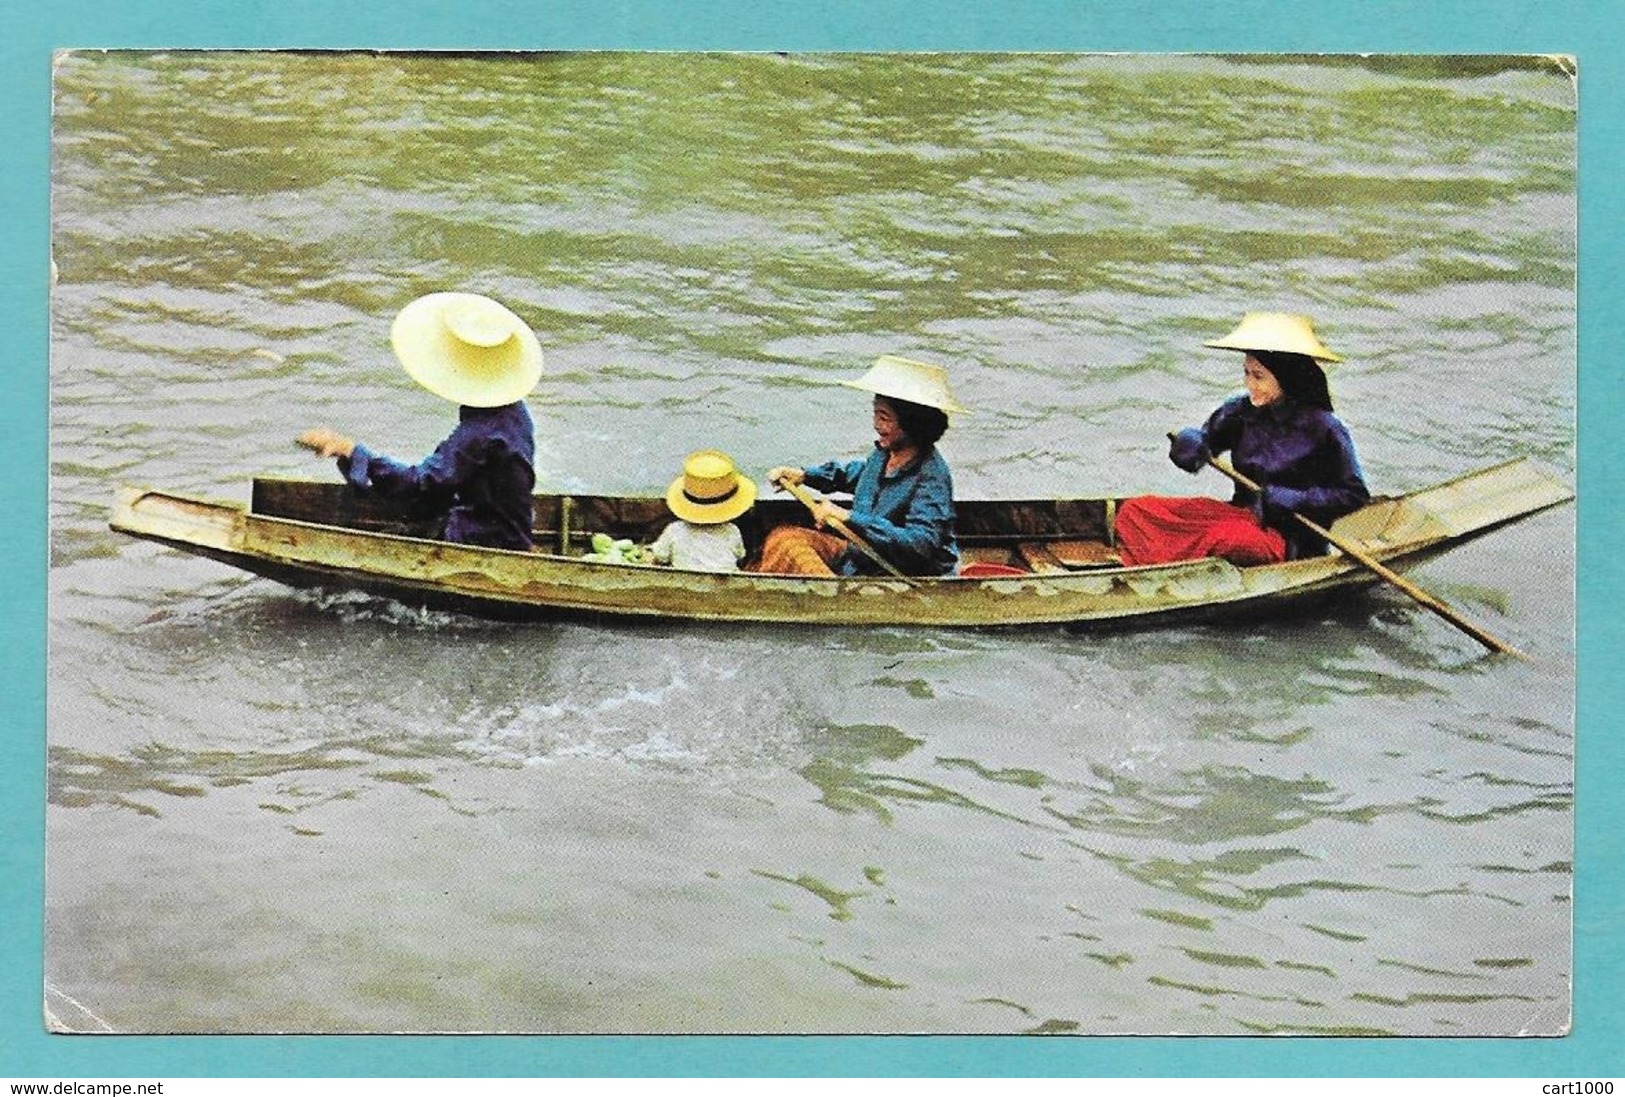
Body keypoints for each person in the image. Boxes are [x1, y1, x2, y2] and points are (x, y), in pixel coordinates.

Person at [1115, 312, 1369, 567]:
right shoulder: (1240, 411)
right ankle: (1168, 561)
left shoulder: (1326, 428)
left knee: (1229, 540)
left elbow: (1354, 494)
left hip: (1289, 538)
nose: (1250, 384)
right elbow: (1204, 444)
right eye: (1247, 373)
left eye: (1258, 376)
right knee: (1136, 510)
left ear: (1288, 378)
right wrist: (1190, 443)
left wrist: (1294, 498)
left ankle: (1172, 564)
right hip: (1240, 515)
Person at [297, 292, 543, 551]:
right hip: (506, 529)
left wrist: (351, 450)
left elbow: (420, 482)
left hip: (487, 541)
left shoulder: (482, 433)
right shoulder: (514, 413)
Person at [755, 355, 964, 578]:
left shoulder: (932, 476)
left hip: (902, 573)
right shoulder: (885, 452)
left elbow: (920, 544)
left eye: (884, 418)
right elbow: (860, 475)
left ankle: (833, 598)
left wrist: (847, 517)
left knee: (793, 555)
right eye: (875, 413)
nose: (876, 425)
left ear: (912, 424)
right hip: (862, 556)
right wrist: (805, 476)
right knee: (784, 539)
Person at [649, 449, 756, 572]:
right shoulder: (731, 530)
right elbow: (740, 555)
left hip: (684, 583)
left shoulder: (675, 530)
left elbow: (660, 556)